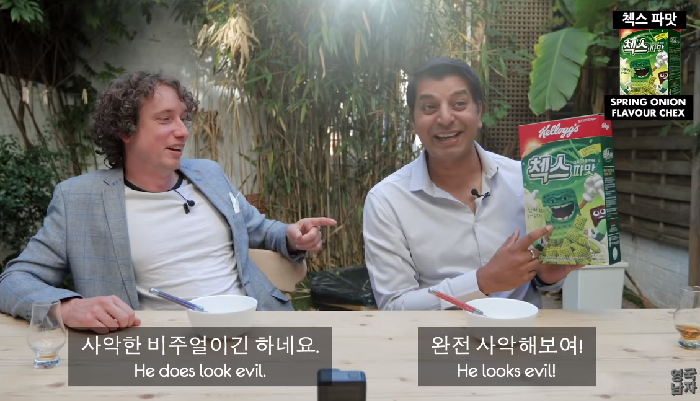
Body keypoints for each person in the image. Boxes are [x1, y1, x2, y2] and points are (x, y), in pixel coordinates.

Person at [0, 71, 336, 333]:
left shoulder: (209, 174)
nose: (183, 131)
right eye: (165, 119)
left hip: (255, 325)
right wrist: (68, 307)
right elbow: (14, 280)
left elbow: (258, 229)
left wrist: (291, 236)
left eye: (183, 118)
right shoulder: (79, 199)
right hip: (162, 348)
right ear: (126, 131)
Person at [362, 57, 583, 311]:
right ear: (413, 121)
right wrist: (481, 282)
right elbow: (393, 307)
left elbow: (540, 281)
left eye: (459, 104)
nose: (445, 118)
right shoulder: (386, 201)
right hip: (436, 335)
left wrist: (548, 276)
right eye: (429, 107)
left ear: (478, 113)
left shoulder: (527, 181)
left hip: (522, 333)